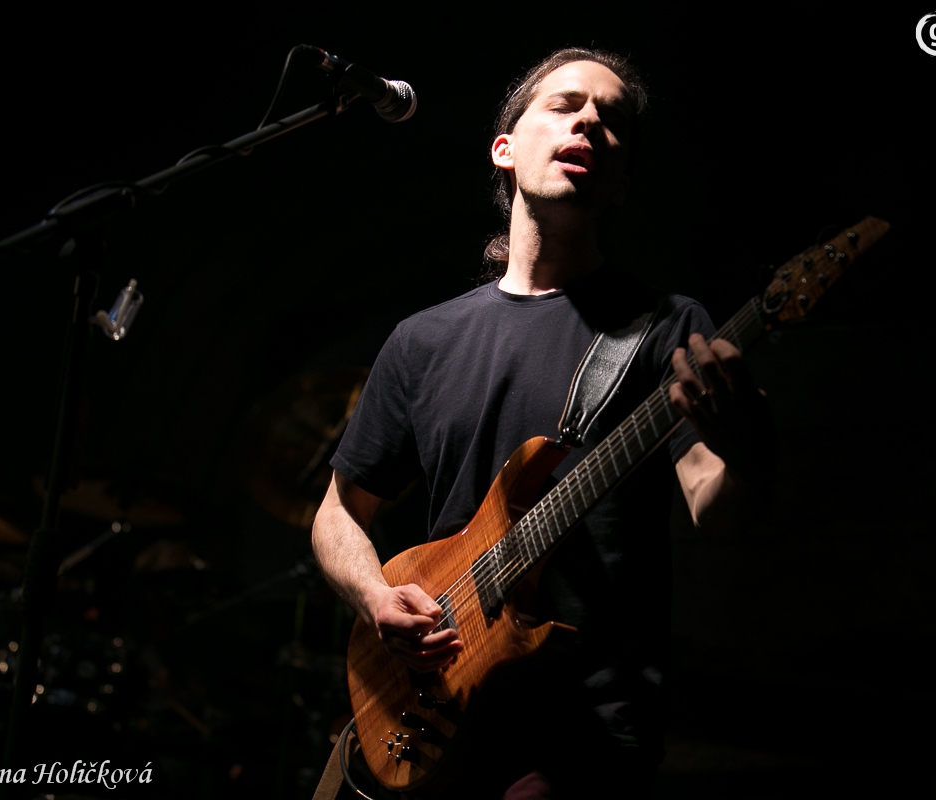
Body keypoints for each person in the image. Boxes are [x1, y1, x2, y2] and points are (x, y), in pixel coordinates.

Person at [312, 48, 775, 798]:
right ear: (505, 148)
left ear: (621, 182)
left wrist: (746, 450)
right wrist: (374, 596)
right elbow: (338, 513)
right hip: (438, 700)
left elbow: (713, 505)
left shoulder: (665, 328)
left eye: (612, 121)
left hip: (584, 732)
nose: (589, 121)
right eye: (565, 105)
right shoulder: (423, 341)